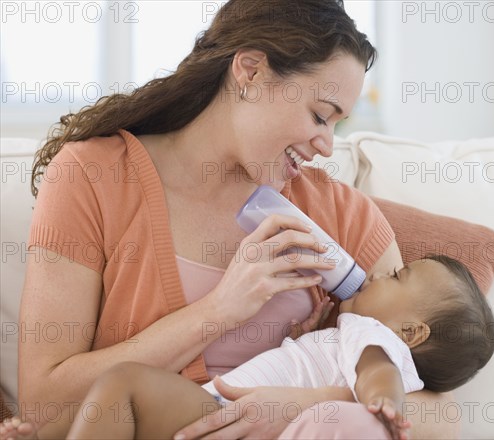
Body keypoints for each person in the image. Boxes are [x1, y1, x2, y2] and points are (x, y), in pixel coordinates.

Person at [14, 0, 462, 438]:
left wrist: (295, 406)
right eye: (320, 115)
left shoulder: (342, 218)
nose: (326, 145)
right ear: (250, 72)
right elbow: (46, 407)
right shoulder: (94, 176)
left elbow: (440, 418)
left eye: (335, 126)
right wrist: (219, 310)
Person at [2, 255, 494, 440]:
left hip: (226, 412)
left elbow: (376, 374)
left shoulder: (377, 340)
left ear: (411, 334)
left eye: (399, 276)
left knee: (124, 384)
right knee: (116, 394)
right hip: (227, 412)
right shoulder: (351, 336)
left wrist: (382, 400)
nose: (383, 271)